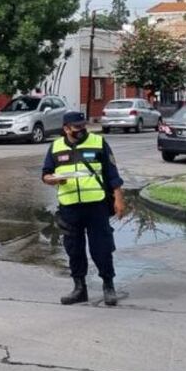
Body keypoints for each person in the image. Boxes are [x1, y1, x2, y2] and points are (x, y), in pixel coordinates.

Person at [42, 111, 127, 306]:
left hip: (96, 205)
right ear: (66, 129)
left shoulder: (98, 142)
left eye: (83, 126)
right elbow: (46, 174)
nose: (82, 130)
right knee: (74, 249)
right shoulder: (55, 147)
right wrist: (52, 179)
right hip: (69, 207)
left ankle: (108, 286)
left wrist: (118, 199)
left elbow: (112, 173)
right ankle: (79, 288)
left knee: (102, 248)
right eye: (77, 127)